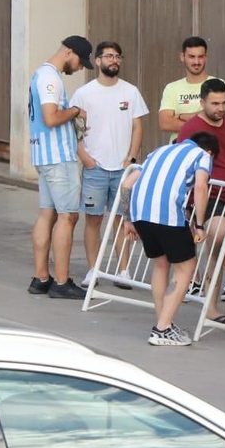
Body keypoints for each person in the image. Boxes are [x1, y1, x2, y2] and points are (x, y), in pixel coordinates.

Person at [125, 133, 215, 346]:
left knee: (161, 265)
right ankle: (163, 328)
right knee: (187, 268)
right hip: (167, 215)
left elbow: (128, 184)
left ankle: (163, 320)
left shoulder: (157, 151)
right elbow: (201, 186)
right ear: (210, 152)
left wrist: (128, 219)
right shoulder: (202, 155)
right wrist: (200, 225)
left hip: (140, 213)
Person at [176, 78, 225, 317]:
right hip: (208, 194)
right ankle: (209, 304)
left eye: (224, 103)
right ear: (202, 102)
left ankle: (213, 300)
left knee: (220, 247)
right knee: (217, 238)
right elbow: (182, 163)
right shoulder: (190, 129)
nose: (220, 108)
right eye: (215, 103)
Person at [73, 41, 148, 279]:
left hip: (123, 170)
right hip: (95, 167)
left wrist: (132, 158)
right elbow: (73, 129)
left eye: (117, 56)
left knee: (121, 219)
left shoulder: (130, 91)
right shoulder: (84, 93)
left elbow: (137, 126)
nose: (114, 60)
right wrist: (85, 158)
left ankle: (124, 271)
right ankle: (93, 270)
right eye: (108, 56)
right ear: (97, 61)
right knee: (93, 220)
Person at [28, 36, 92, 300]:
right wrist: (75, 110)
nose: (79, 68)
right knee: (68, 217)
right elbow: (51, 117)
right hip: (58, 157)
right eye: (79, 61)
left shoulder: (40, 74)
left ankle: (42, 278)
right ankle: (62, 282)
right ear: (69, 52)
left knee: (47, 214)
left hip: (42, 155)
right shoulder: (51, 78)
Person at [158, 36, 214, 135]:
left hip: (207, 149)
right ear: (182, 57)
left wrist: (180, 116)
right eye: (191, 57)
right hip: (180, 149)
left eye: (200, 57)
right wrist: (200, 122)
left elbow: (214, 118)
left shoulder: (216, 83)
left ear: (206, 58)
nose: (196, 62)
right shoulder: (171, 88)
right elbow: (165, 123)